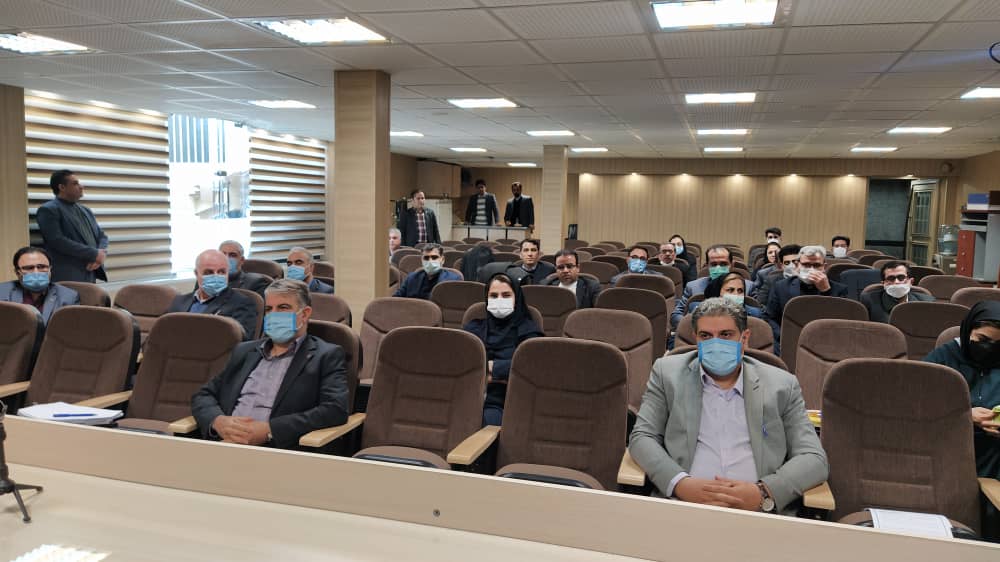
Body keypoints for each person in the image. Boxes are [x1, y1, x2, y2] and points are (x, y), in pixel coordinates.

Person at [630, 297, 828, 515]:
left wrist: (763, 492)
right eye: (706, 336)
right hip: (682, 506)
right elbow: (642, 437)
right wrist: (680, 483)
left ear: (744, 338)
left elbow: (813, 457)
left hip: (758, 513)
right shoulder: (667, 374)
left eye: (726, 335)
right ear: (696, 339)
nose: (716, 343)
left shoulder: (782, 385)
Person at [191, 279, 350, 450]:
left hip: (279, 450)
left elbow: (335, 410)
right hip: (224, 444)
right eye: (268, 309)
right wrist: (218, 421)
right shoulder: (244, 351)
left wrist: (270, 430)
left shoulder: (325, 355)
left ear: (304, 314)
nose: (273, 315)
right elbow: (203, 395)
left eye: (283, 308)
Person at [924, 302, 1000, 479]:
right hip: (946, 444)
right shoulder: (944, 356)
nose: (990, 348)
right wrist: (965, 415)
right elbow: (916, 402)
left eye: (998, 344)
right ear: (968, 332)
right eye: (983, 340)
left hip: (993, 451)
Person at [463, 273, 543, 425]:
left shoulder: (529, 330)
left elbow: (531, 367)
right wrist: (502, 372)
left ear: (516, 299)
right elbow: (459, 362)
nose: (499, 300)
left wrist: (489, 367)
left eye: (506, 295)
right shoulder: (474, 327)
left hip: (506, 401)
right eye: (493, 296)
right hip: (467, 395)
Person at [764, 245, 848, 353]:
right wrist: (783, 336)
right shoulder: (781, 287)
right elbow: (769, 317)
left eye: (816, 265)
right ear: (797, 265)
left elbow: (841, 324)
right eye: (806, 265)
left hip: (826, 343)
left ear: (824, 267)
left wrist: (826, 292)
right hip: (788, 342)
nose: (811, 269)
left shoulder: (839, 290)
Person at [36, 169, 109, 283]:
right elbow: (57, 241)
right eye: (75, 183)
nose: (81, 186)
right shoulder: (48, 210)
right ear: (62, 187)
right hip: (68, 275)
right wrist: (94, 254)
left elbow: (101, 235)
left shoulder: (85, 210)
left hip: (90, 271)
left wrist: (100, 254)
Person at [168, 249, 258, 340]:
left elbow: (241, 339)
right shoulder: (179, 301)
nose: (216, 276)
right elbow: (164, 330)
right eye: (209, 272)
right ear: (196, 273)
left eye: (221, 272)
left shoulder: (242, 303)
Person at [672, 245, 756, 329]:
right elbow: (676, 315)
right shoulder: (693, 287)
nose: (718, 268)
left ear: (732, 265)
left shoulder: (748, 286)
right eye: (714, 264)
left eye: (723, 264)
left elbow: (756, 317)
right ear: (707, 266)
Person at [0, 246, 79, 324]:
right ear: (17, 272)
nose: (36, 272)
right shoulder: (2, 292)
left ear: (50, 269)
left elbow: (71, 329)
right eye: (29, 268)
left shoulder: (69, 297)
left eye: (42, 267)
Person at [860, 261, 933, 323]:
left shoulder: (927, 301)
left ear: (911, 282)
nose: (896, 282)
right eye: (890, 278)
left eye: (901, 277)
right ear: (884, 283)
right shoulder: (869, 300)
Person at [394, 244, 461, 299]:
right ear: (422, 260)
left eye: (434, 257)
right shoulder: (412, 278)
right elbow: (396, 299)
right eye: (426, 258)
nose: (430, 261)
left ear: (442, 259)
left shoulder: (453, 279)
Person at [690, 272, 763, 319]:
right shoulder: (698, 310)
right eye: (730, 290)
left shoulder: (754, 314)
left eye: (740, 291)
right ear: (717, 293)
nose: (736, 294)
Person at [752, 244, 801, 314]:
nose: (791, 266)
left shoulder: (809, 279)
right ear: (781, 265)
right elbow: (760, 304)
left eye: (794, 262)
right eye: (787, 263)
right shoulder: (772, 279)